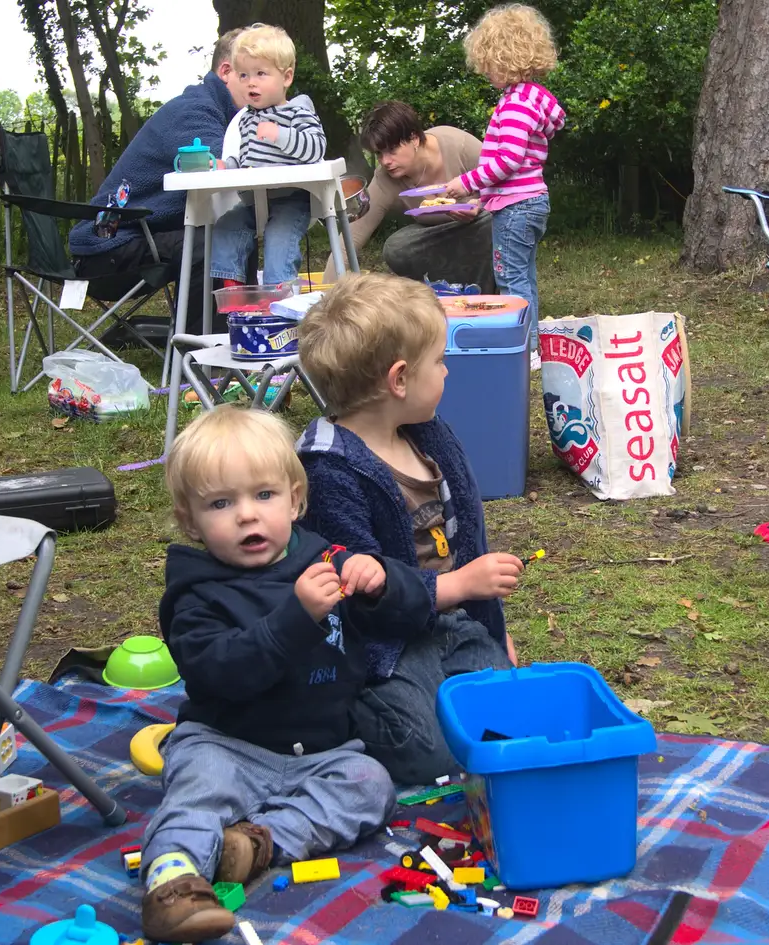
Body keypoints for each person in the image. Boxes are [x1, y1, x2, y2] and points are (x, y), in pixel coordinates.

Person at [143, 406, 432, 942]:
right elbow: (220, 673)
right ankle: (173, 884)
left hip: (322, 751)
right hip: (229, 742)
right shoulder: (195, 594)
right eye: (221, 503)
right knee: (199, 788)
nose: (247, 516)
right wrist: (295, 618)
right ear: (189, 520)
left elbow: (411, 611)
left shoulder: (324, 558)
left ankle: (256, 844)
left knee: (370, 786)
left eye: (264, 496)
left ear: (296, 500)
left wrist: (384, 580)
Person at [296, 272, 521, 786]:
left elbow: (468, 542)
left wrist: (494, 631)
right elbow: (361, 595)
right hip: (382, 648)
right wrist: (459, 587)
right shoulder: (330, 471)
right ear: (399, 380)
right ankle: (341, 715)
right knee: (430, 754)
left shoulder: (429, 437)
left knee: (510, 721)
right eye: (439, 361)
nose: (447, 372)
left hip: (452, 627)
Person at [69, 30, 247, 337]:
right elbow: (230, 171)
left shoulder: (219, 112)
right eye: (254, 72)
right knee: (213, 242)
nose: (262, 83)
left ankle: (236, 334)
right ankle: (201, 354)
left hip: (135, 236)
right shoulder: (194, 112)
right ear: (226, 72)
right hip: (105, 245)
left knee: (231, 231)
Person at [444, 4, 565, 365]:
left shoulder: (515, 105)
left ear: (504, 57)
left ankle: (524, 351)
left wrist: (467, 183)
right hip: (526, 202)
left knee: (510, 278)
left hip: (516, 207)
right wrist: (487, 195)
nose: (485, 72)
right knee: (522, 275)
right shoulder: (535, 99)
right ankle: (533, 345)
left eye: (488, 63)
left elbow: (507, 160)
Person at [323, 101, 494, 292]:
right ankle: (442, 291)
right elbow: (350, 238)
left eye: (392, 150)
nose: (385, 161)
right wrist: (324, 298)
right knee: (397, 246)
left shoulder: (459, 146)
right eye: (379, 153)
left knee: (490, 222)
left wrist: (481, 203)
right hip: (437, 239)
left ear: (413, 138)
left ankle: (486, 295)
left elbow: (511, 185)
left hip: (483, 232)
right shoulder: (386, 177)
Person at [209, 25, 327, 288]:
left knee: (279, 237)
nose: (251, 82)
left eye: (260, 73)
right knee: (228, 226)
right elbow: (246, 160)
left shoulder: (298, 111)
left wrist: (280, 135)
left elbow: (315, 148)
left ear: (286, 77)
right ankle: (233, 291)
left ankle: (280, 295)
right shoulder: (245, 120)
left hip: (290, 200)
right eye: (243, 75)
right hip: (253, 201)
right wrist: (226, 166)